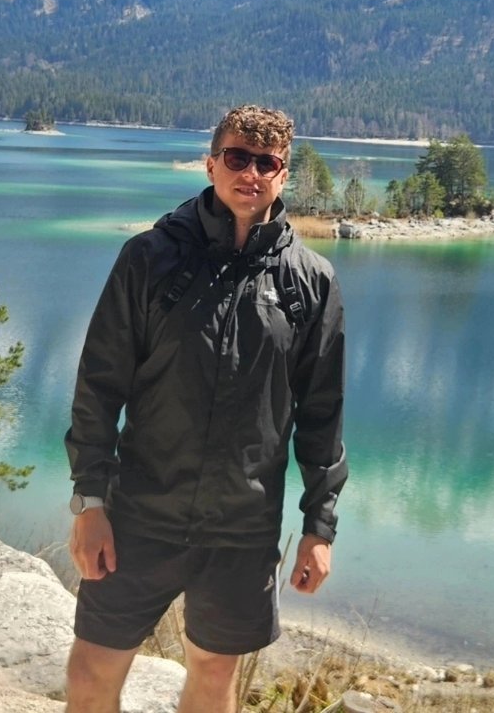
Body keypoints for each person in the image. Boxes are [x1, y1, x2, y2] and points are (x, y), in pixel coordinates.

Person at [64, 104, 347, 713]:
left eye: (266, 163)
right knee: (90, 673)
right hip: (140, 514)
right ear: (211, 163)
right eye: (237, 158)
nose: (251, 174)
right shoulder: (149, 258)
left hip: (243, 529)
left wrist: (319, 527)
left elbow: (322, 415)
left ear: (283, 174)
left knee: (215, 677)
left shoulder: (311, 281)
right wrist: (89, 501)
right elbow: (98, 388)